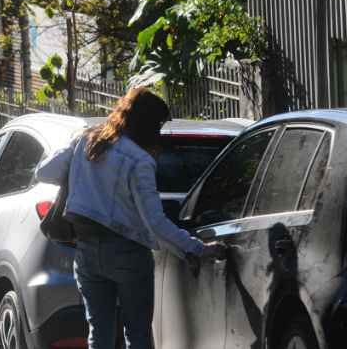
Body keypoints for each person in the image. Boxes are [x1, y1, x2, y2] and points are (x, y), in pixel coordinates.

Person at [35, 87, 225, 349]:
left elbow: (44, 172)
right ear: (150, 124)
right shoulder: (139, 160)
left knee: (99, 334)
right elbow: (154, 222)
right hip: (127, 253)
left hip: (87, 250)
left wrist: (82, 175)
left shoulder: (88, 141)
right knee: (137, 334)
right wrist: (195, 248)